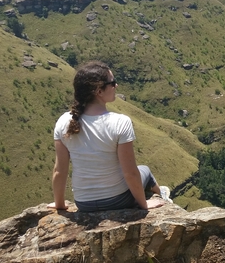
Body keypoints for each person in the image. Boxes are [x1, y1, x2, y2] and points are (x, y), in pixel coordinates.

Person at [50, 60, 171, 212]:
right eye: (112, 83)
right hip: (118, 200)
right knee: (144, 170)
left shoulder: (63, 122)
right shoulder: (120, 122)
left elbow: (59, 171)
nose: (116, 86)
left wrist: (59, 205)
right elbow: (130, 173)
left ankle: (161, 193)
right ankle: (162, 195)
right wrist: (144, 205)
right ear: (99, 91)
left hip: (83, 203)